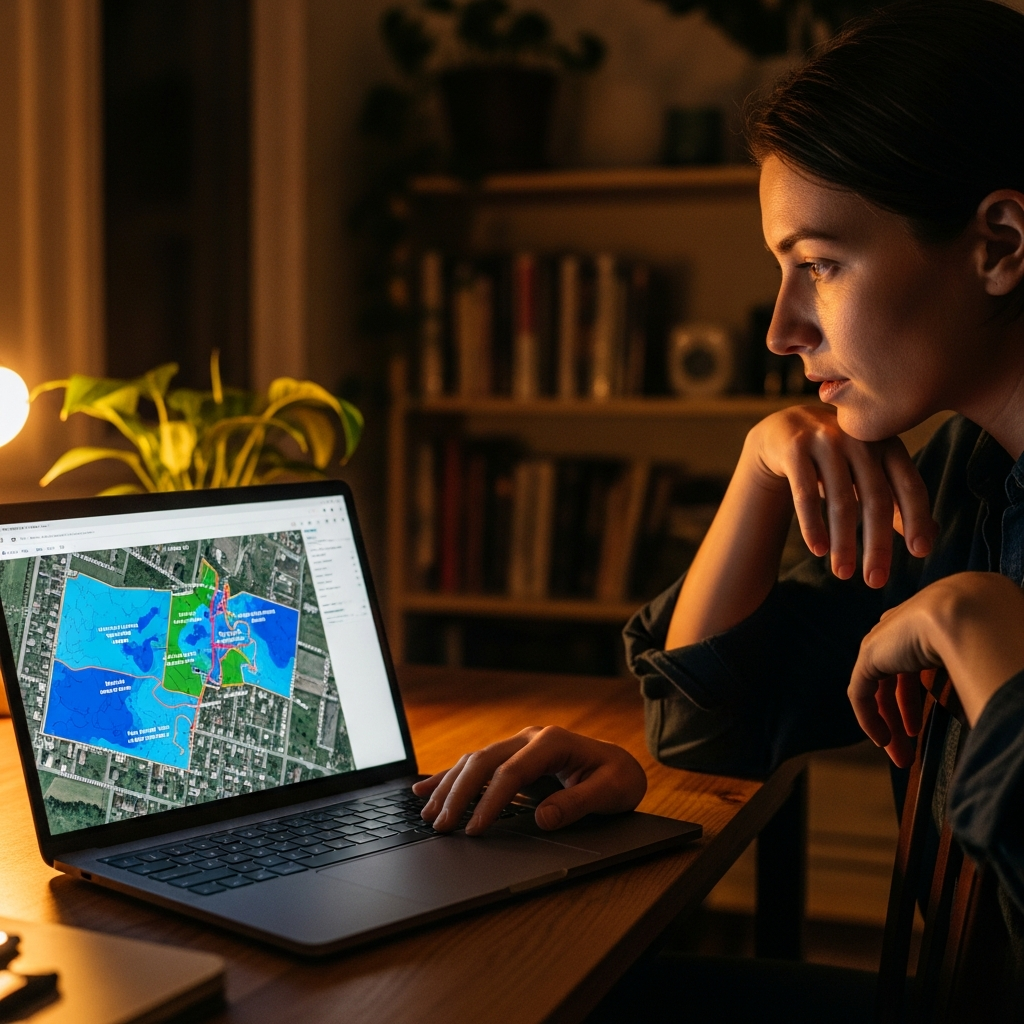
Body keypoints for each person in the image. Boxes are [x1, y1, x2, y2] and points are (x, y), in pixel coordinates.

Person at [412, 0, 1024, 1011]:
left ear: (999, 241)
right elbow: (709, 727)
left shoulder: (970, 552)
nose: (783, 328)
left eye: (820, 265)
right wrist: (757, 471)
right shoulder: (969, 478)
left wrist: (978, 631)